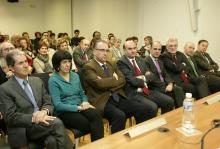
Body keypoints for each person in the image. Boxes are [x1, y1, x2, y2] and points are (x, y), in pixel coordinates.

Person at [0, 49, 73, 149]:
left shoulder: (36, 81)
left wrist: (44, 111)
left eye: (26, 61)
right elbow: (10, 117)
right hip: (24, 128)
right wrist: (34, 117)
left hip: (44, 122)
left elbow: (48, 102)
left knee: (52, 140)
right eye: (21, 63)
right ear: (11, 68)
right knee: (56, 123)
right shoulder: (5, 88)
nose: (26, 65)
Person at [83, 40, 150, 133]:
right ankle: (117, 144)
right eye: (102, 50)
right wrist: (114, 79)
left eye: (107, 50)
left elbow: (123, 79)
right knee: (120, 116)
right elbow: (99, 84)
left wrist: (107, 82)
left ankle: (139, 136)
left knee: (142, 108)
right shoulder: (88, 67)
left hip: (117, 96)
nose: (105, 53)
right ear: (94, 51)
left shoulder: (112, 64)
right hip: (102, 100)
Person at [49, 50, 104, 141]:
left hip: (81, 105)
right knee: (92, 124)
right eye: (64, 62)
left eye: (69, 62)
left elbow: (82, 93)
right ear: (57, 64)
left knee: (96, 114)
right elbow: (58, 105)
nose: (68, 65)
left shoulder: (75, 75)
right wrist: (78, 108)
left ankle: (98, 146)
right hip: (65, 111)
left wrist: (85, 101)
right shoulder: (53, 80)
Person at [117, 40, 174, 114]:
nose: (133, 51)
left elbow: (152, 76)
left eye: (134, 48)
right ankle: (149, 125)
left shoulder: (140, 59)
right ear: (124, 50)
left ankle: (165, 123)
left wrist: (142, 78)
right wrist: (145, 77)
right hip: (134, 93)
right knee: (152, 107)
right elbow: (132, 81)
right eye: (130, 49)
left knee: (169, 101)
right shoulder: (121, 62)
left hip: (146, 90)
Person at [145, 41, 185, 108]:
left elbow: (166, 74)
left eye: (159, 49)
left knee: (178, 89)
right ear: (150, 49)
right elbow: (151, 79)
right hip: (154, 88)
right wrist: (164, 87)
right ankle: (168, 116)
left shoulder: (160, 61)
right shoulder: (146, 61)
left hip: (164, 85)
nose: (157, 51)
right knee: (171, 98)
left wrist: (170, 83)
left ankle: (180, 112)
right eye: (155, 49)